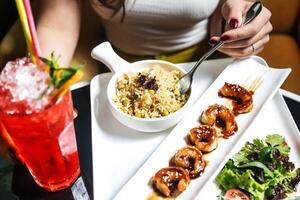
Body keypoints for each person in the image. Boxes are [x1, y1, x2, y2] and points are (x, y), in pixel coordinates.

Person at [36, 0, 272, 67]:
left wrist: (239, 23)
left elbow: (230, 11)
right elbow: (56, 26)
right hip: (120, 65)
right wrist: (39, 83)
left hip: (205, 62)